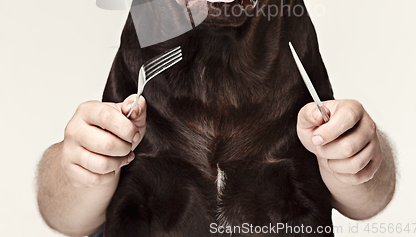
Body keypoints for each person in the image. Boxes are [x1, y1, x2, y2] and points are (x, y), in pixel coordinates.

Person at [37, 95, 396, 237]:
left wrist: (357, 158)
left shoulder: (292, 40)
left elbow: (369, 200)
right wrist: (81, 167)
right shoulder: (146, 31)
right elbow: (63, 216)